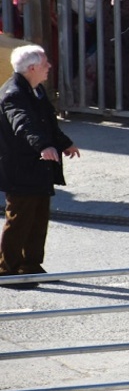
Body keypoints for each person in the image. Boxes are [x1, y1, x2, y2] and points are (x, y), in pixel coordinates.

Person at [0, 45, 80, 289]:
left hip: (39, 167)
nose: (49, 67)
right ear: (32, 68)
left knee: (38, 217)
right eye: (45, 63)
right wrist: (43, 146)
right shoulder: (13, 94)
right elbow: (23, 124)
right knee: (19, 218)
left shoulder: (36, 90)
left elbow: (47, 122)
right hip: (21, 166)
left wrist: (64, 143)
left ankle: (31, 265)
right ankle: (6, 268)